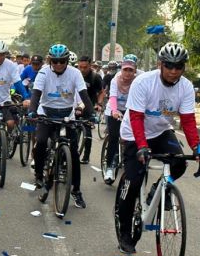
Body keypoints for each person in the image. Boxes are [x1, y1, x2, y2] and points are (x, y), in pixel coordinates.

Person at [116, 42, 200, 254]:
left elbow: (188, 120)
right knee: (134, 181)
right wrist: (142, 147)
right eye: (169, 66)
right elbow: (136, 117)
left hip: (161, 131)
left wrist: (198, 148)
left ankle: (158, 189)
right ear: (160, 64)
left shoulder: (186, 87)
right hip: (134, 133)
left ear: (184, 67)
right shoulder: (144, 82)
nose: (174, 71)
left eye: (179, 67)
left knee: (180, 163)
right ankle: (125, 232)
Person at [28, 44, 93, 208]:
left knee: (73, 153)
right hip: (46, 112)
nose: (58, 64)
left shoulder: (75, 73)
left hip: (66, 114)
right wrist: (32, 111)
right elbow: (36, 94)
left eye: (62, 61)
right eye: (55, 61)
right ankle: (39, 174)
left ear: (66, 61)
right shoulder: (43, 72)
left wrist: (91, 114)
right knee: (41, 141)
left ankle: (76, 191)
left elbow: (84, 95)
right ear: (50, 61)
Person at [103, 55, 138, 183]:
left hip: (130, 111)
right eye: (125, 70)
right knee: (113, 137)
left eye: (131, 70)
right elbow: (112, 97)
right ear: (121, 69)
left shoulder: (138, 80)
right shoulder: (115, 80)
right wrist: (114, 110)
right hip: (114, 110)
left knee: (132, 139)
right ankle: (109, 167)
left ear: (135, 71)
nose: (127, 73)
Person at [77, 56, 103, 164]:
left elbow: (101, 92)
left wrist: (99, 104)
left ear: (90, 66)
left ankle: (86, 156)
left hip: (89, 107)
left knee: (87, 131)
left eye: (85, 67)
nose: (82, 70)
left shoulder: (95, 77)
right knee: (73, 131)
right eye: (80, 67)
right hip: (75, 105)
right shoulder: (75, 75)